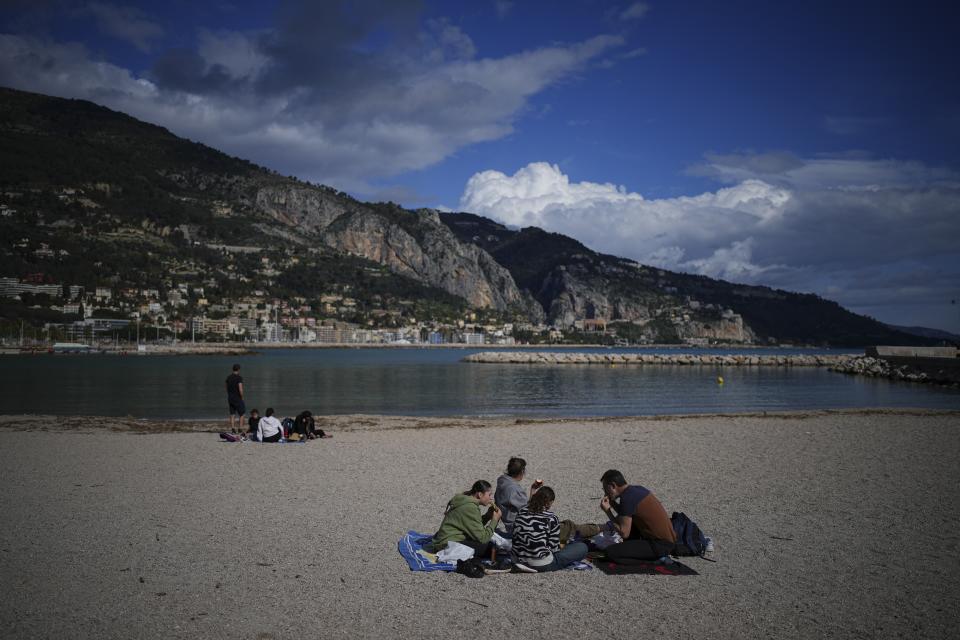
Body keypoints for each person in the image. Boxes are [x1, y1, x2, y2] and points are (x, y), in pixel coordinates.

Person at [598, 469, 677, 563]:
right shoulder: (636, 490)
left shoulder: (627, 498)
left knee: (610, 553)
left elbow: (624, 533)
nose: (605, 493)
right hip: (668, 541)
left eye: (605, 489)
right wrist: (612, 503)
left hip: (659, 545)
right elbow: (625, 513)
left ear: (613, 486)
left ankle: (657, 560)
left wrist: (608, 512)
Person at [511, 486, 589, 572]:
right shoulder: (551, 517)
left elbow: (515, 539)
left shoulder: (521, 511)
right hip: (541, 564)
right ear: (548, 503)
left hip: (518, 560)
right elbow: (554, 548)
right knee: (582, 547)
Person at [425, 480, 501, 558]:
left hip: (444, 539)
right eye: (489, 495)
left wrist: (487, 516)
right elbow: (483, 538)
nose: (491, 498)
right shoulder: (470, 508)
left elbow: (472, 525)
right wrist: (494, 520)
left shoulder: (465, 500)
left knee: (489, 545)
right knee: (492, 548)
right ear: (480, 494)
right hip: (447, 544)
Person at [495, 457, 543, 534]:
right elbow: (528, 510)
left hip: (505, 520)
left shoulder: (501, 481)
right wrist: (533, 491)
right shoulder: (515, 490)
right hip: (517, 527)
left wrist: (533, 489)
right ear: (522, 471)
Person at [225, 364, 245, 432]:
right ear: (238, 369)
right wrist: (242, 397)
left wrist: (229, 394)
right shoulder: (239, 378)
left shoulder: (228, 377)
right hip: (237, 398)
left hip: (230, 397)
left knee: (232, 414)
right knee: (242, 413)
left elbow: (226, 387)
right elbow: (240, 389)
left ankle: (233, 428)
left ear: (233, 369)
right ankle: (240, 428)